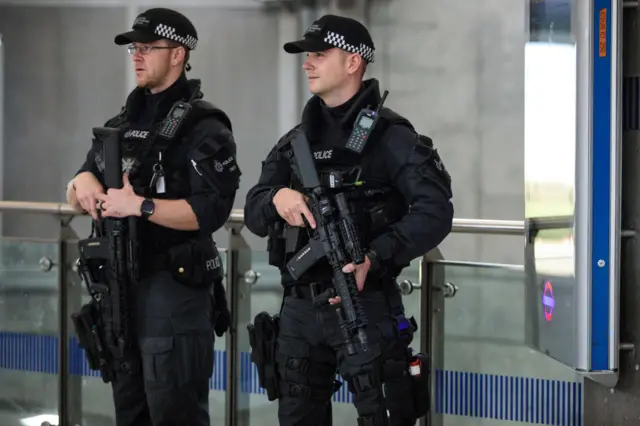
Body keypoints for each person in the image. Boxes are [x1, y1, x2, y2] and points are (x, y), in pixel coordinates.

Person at [244, 13, 454, 426]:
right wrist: (277, 197)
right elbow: (253, 210)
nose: (307, 63)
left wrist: (374, 258)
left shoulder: (392, 137)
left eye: (319, 54)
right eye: (307, 56)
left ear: (354, 62)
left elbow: (435, 211)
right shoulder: (295, 142)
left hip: (365, 304)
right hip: (300, 311)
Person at [66, 8, 240, 426]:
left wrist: (140, 206)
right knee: (130, 411)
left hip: (174, 290)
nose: (137, 56)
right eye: (134, 48)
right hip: (121, 288)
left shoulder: (204, 126)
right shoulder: (121, 123)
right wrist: (82, 182)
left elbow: (210, 211)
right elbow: (78, 190)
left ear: (178, 54)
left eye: (147, 47)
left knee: (175, 412)